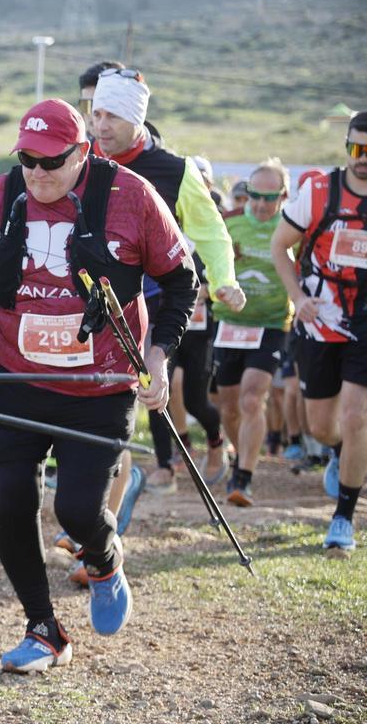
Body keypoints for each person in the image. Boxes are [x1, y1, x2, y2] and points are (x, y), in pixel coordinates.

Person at [0, 98, 197, 673]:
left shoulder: (131, 197)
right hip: (16, 374)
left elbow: (180, 281)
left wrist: (159, 356)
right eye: (28, 160)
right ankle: (43, 629)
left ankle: (103, 559)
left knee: (76, 509)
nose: (39, 173)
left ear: (83, 152)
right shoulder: (1, 195)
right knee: (10, 502)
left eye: (52, 161)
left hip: (101, 384)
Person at [91, 67, 245, 493]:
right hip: (90, 305)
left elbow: (211, 230)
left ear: (136, 119)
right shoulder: (79, 157)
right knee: (95, 406)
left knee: (139, 396)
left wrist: (224, 279)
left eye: (112, 117)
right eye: (96, 114)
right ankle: (103, 506)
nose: (101, 126)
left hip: (155, 301)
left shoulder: (173, 170)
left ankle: (105, 511)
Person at [270, 111, 367, 552]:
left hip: (364, 324)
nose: (362, 159)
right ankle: (338, 452)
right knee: (324, 426)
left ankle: (343, 517)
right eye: (356, 149)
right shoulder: (320, 192)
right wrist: (298, 298)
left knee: (355, 416)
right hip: (319, 320)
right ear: (347, 147)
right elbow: (279, 245)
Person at [212, 159, 294, 506]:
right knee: (229, 406)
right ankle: (237, 457)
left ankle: (244, 476)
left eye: (269, 198)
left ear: (283, 196)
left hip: (272, 323)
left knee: (251, 397)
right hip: (229, 323)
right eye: (255, 195)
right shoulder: (228, 224)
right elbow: (208, 261)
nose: (260, 204)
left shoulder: (293, 229)